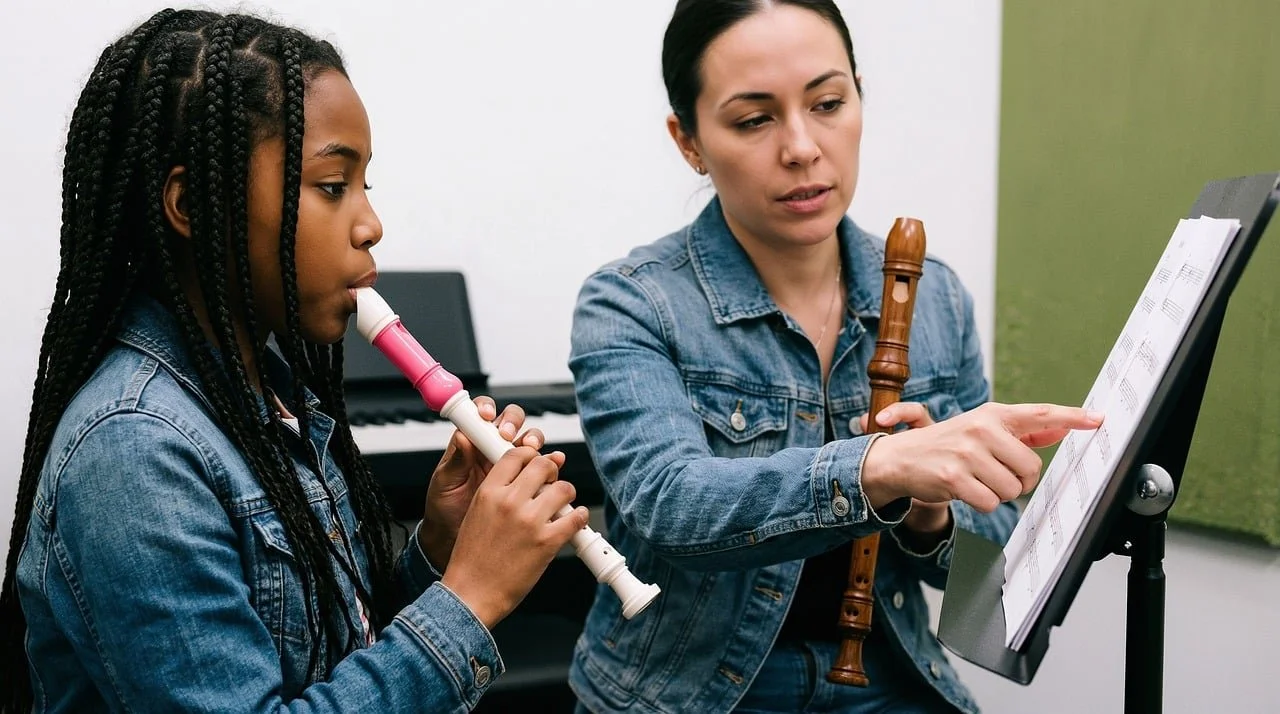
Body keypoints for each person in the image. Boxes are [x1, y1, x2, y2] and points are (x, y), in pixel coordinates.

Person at [0, 9, 588, 712]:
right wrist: (471, 597)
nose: (371, 224)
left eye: (366, 186)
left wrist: (440, 548)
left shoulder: (272, 402)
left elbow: (336, 661)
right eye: (333, 186)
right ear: (193, 205)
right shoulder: (134, 450)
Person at [566, 1, 1103, 712]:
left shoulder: (936, 296)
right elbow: (672, 504)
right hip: (691, 694)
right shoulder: (630, 302)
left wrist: (927, 513)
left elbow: (991, 558)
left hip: (891, 675)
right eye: (753, 119)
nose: (801, 147)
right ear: (688, 140)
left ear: (858, 97)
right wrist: (880, 467)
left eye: (826, 103)